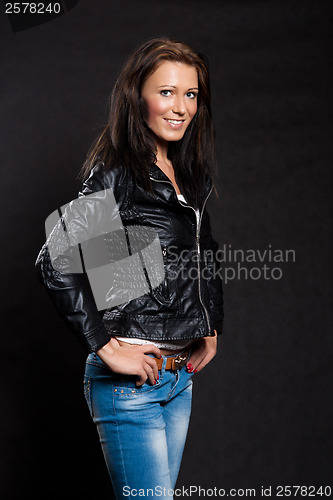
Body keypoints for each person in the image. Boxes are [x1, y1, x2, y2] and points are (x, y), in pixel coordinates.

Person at [36, 37, 223, 499]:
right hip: (131, 385)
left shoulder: (184, 172)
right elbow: (54, 259)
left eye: (190, 94)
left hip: (177, 379)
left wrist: (210, 326)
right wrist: (105, 347)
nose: (180, 107)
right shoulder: (118, 171)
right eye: (166, 92)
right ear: (137, 96)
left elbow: (203, 251)